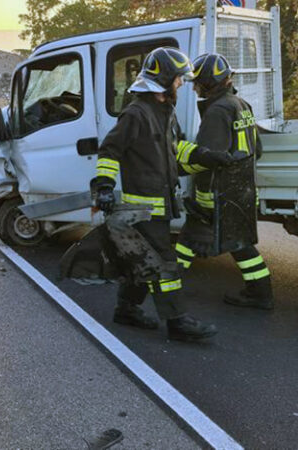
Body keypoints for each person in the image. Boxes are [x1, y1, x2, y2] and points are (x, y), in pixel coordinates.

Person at [93, 47, 230, 342]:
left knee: (141, 260)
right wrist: (104, 186)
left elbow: (177, 148)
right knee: (164, 263)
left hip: (162, 204)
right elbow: (110, 150)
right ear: (165, 78)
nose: (181, 84)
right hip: (143, 207)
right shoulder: (136, 113)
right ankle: (177, 321)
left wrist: (208, 156)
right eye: (179, 79)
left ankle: (126, 309)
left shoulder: (165, 111)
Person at [175, 53, 272, 309]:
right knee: (236, 244)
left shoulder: (217, 111)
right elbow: (257, 150)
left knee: (191, 237)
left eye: (198, 82)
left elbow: (208, 157)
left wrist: (177, 162)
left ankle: (166, 286)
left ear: (208, 82)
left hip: (217, 192)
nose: (194, 87)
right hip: (242, 189)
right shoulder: (241, 104)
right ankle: (261, 293)